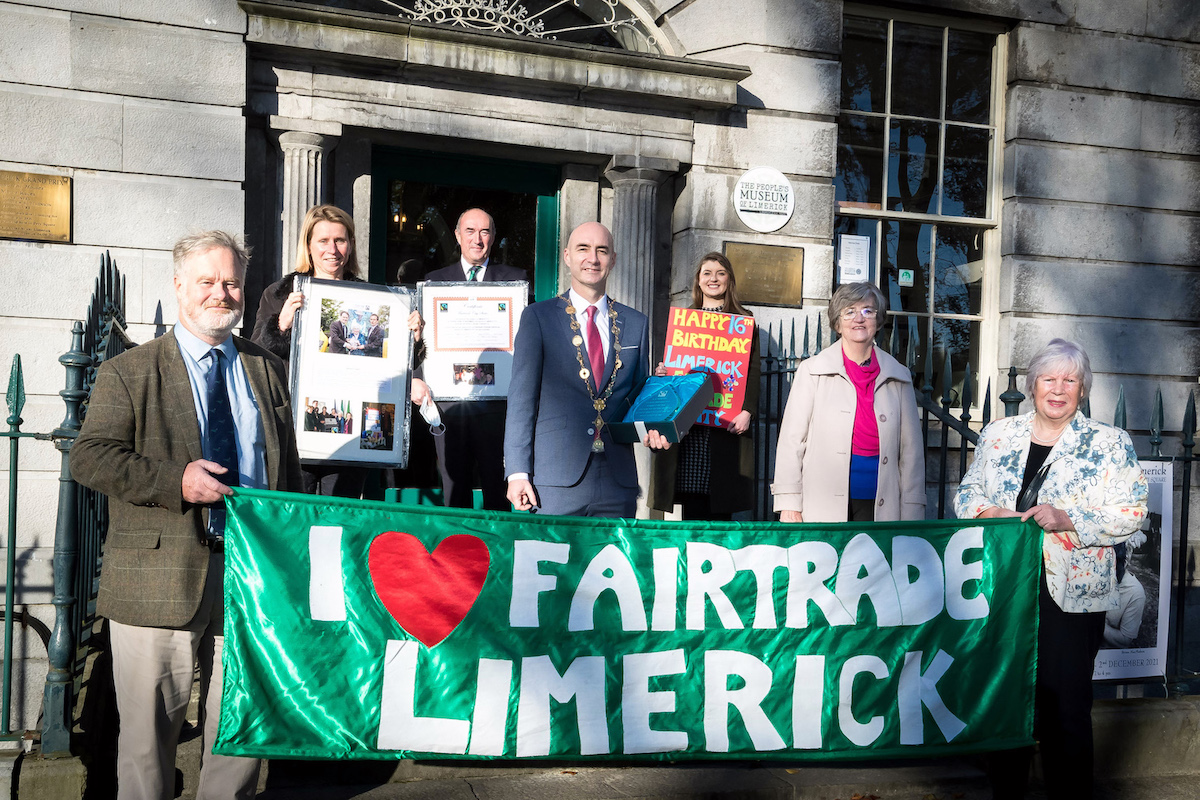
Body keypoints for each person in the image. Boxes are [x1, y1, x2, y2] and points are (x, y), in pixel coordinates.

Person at [70, 231, 303, 800]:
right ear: (178, 286)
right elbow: (90, 456)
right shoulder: (131, 370)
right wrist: (176, 481)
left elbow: (287, 469)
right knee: (148, 746)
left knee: (241, 734)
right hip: (157, 577)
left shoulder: (265, 368)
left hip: (251, 579)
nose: (221, 293)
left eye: (231, 282)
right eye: (207, 281)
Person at [953, 338, 1148, 800]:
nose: (1057, 389)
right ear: (1032, 384)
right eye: (1049, 379)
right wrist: (992, 514)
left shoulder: (1108, 442)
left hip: (1073, 591)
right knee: (1006, 697)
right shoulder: (999, 434)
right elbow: (965, 495)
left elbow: (1133, 512)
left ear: (1082, 390)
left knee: (1066, 706)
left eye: (1069, 380)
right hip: (1003, 586)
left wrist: (1070, 520)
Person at [252, 205, 420, 496]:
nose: (332, 249)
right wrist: (282, 324)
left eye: (340, 240)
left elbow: (392, 366)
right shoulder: (279, 294)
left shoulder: (375, 298)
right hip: (295, 430)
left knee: (339, 518)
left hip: (352, 431)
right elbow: (254, 356)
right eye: (323, 241)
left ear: (351, 245)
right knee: (297, 517)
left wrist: (413, 341)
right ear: (308, 245)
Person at [505, 221, 667, 518]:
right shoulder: (538, 317)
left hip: (617, 485)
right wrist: (517, 472)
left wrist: (661, 410)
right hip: (553, 483)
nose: (592, 259)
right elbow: (521, 401)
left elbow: (638, 402)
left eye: (601, 251)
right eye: (583, 249)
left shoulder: (636, 324)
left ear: (613, 260)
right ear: (567, 256)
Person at [772, 282, 925, 522]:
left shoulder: (899, 375)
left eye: (868, 311)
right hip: (822, 503)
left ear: (878, 319)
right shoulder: (813, 371)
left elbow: (912, 453)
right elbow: (792, 441)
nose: (859, 319)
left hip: (882, 505)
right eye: (849, 311)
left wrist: (912, 509)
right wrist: (789, 502)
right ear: (837, 322)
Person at [422, 208, 528, 511]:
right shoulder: (434, 283)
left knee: (499, 488)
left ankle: (500, 554)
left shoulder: (515, 281)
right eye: (470, 231)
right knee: (454, 489)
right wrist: (420, 376)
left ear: (493, 238)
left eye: (484, 232)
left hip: (498, 407)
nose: (477, 239)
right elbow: (423, 341)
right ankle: (456, 553)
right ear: (457, 236)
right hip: (450, 405)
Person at [649, 253, 760, 520]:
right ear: (698, 281)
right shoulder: (684, 320)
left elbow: (752, 371)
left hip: (723, 423)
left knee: (720, 499)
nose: (713, 278)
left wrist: (748, 411)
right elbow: (676, 367)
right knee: (690, 498)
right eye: (707, 273)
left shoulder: (744, 322)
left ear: (729, 280)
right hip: (690, 428)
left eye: (720, 273)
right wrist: (664, 374)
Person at [1104, 544, 1146, 648]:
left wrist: (1095, 623)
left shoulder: (1135, 593)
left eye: (1111, 567)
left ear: (1125, 562)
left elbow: (1124, 640)